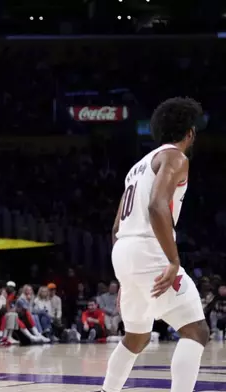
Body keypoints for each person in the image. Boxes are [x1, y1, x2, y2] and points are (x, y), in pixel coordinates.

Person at [101, 97, 210, 392]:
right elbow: (157, 206)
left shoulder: (137, 167)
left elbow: (115, 227)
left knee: (136, 337)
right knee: (196, 330)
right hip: (149, 250)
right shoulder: (175, 157)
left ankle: (107, 390)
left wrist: (126, 277)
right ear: (190, 132)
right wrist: (173, 261)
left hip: (123, 249)